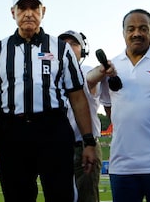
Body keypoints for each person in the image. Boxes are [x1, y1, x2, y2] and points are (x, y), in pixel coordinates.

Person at [0, 0, 98, 202]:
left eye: (34, 7)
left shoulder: (60, 49)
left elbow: (77, 97)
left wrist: (88, 141)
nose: (28, 13)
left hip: (52, 130)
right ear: (12, 12)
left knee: (61, 195)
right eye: (22, 7)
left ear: (43, 11)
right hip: (11, 132)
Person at [96, 9, 150, 202]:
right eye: (131, 29)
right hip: (122, 165)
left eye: (143, 28)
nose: (137, 33)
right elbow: (109, 107)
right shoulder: (111, 67)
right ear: (123, 33)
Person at [59, 30, 103, 202]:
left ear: (83, 51)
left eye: (74, 43)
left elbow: (91, 78)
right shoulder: (50, 75)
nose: (68, 47)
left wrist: (103, 69)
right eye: (64, 43)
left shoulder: (84, 70)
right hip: (59, 148)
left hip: (84, 145)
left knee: (88, 198)